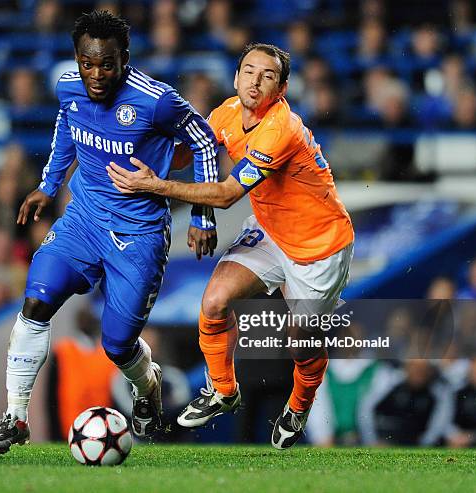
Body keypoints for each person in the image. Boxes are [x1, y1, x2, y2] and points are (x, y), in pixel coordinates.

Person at [0, 10, 219, 455]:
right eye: (88, 63)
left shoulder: (157, 101)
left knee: (117, 344)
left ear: (124, 58)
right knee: (37, 299)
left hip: (139, 233)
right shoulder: (68, 87)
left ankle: (146, 386)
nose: (96, 74)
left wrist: (203, 216)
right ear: (77, 58)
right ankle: (15, 417)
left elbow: (204, 142)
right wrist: (47, 186)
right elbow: (67, 126)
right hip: (84, 219)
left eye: (107, 64)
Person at [108, 42, 354, 449]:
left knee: (300, 341)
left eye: (268, 75)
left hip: (319, 244)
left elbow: (225, 195)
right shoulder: (225, 112)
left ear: (282, 88)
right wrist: (137, 146)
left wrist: (154, 185)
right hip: (272, 229)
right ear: (237, 76)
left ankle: (299, 403)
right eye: (248, 71)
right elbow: (189, 151)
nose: (255, 81)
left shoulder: (281, 128)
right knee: (215, 301)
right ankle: (223, 390)